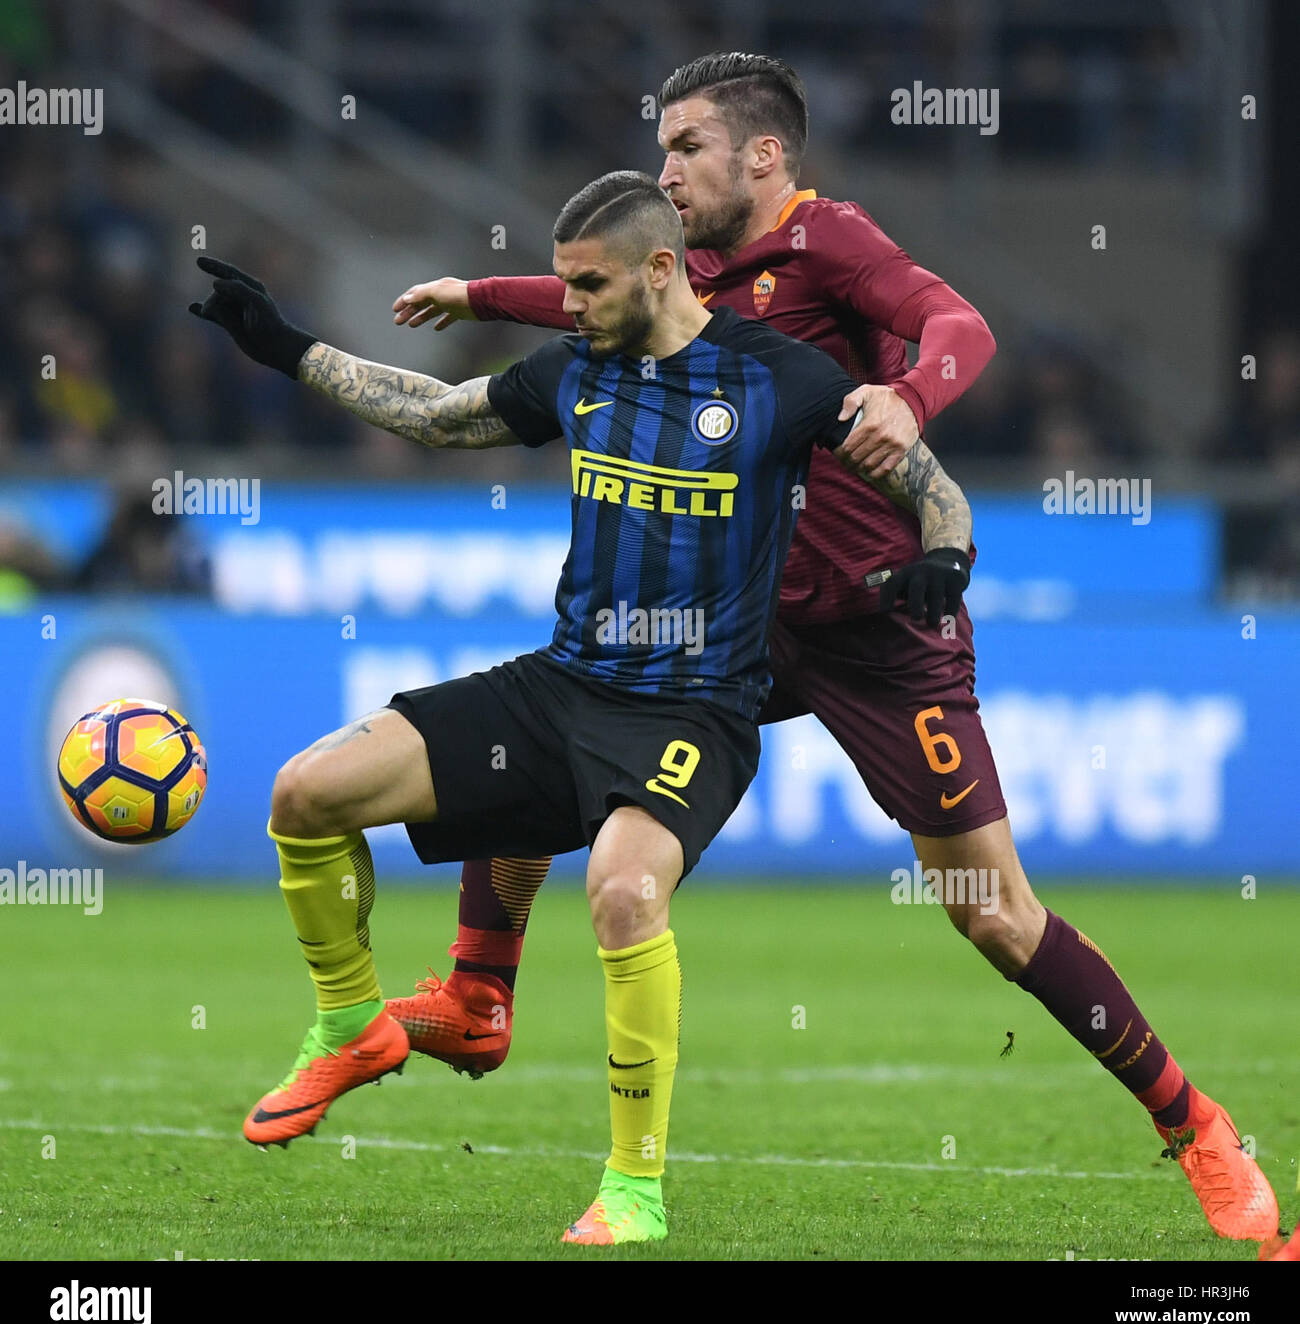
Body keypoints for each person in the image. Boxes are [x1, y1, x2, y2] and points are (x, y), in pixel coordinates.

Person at [387, 51, 1279, 1244]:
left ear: (763, 155)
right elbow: (586, 300)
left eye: (686, 147)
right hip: (740, 622)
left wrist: (908, 395)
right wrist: (485, 294)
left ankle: (1194, 1125)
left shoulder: (831, 245)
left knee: (990, 912)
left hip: (876, 629)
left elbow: (959, 325)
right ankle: (479, 993)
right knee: (560, 725)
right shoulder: (682, 267)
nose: (665, 170)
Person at [188, 169, 972, 1245]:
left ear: (660, 270)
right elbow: (436, 414)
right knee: (306, 791)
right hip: (562, 687)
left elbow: (926, 478)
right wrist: (290, 350)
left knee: (620, 892)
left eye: (589, 286)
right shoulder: (576, 367)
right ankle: (350, 1025)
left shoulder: (778, 378)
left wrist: (946, 552)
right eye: (562, 286)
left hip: (695, 714)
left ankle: (633, 1190)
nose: (572, 305)